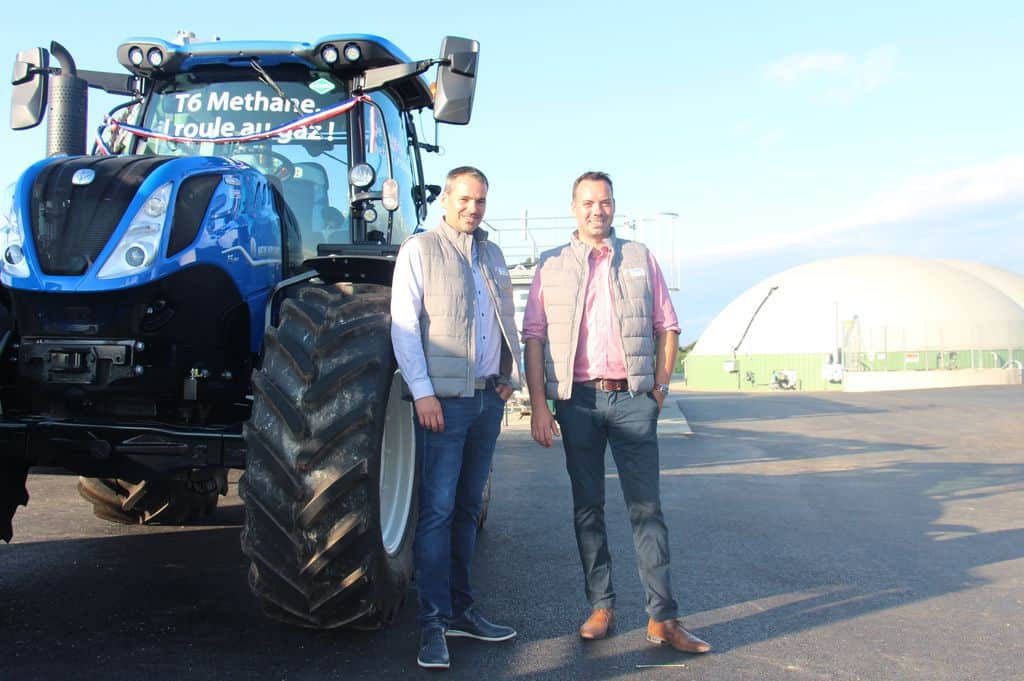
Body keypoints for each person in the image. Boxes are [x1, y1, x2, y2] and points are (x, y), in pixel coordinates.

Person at [521, 170, 711, 654]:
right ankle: (601, 606)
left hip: (632, 401)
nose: (596, 211)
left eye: (604, 202)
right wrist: (541, 405)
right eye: (587, 203)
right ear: (573, 208)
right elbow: (534, 338)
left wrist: (659, 390)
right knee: (588, 510)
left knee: (647, 511)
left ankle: (662, 619)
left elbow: (668, 325)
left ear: (613, 206)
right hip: (578, 401)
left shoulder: (640, 258)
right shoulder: (552, 265)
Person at [390, 166, 523, 670]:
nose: (473, 207)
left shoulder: (492, 254)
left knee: (469, 509)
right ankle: (432, 623)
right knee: (438, 511)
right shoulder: (420, 250)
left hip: (488, 400)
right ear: (445, 200)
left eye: (481, 200)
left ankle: (464, 611)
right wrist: (422, 393)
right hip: (443, 405)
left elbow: (504, 319)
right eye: (465, 198)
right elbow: (405, 326)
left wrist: (508, 378)